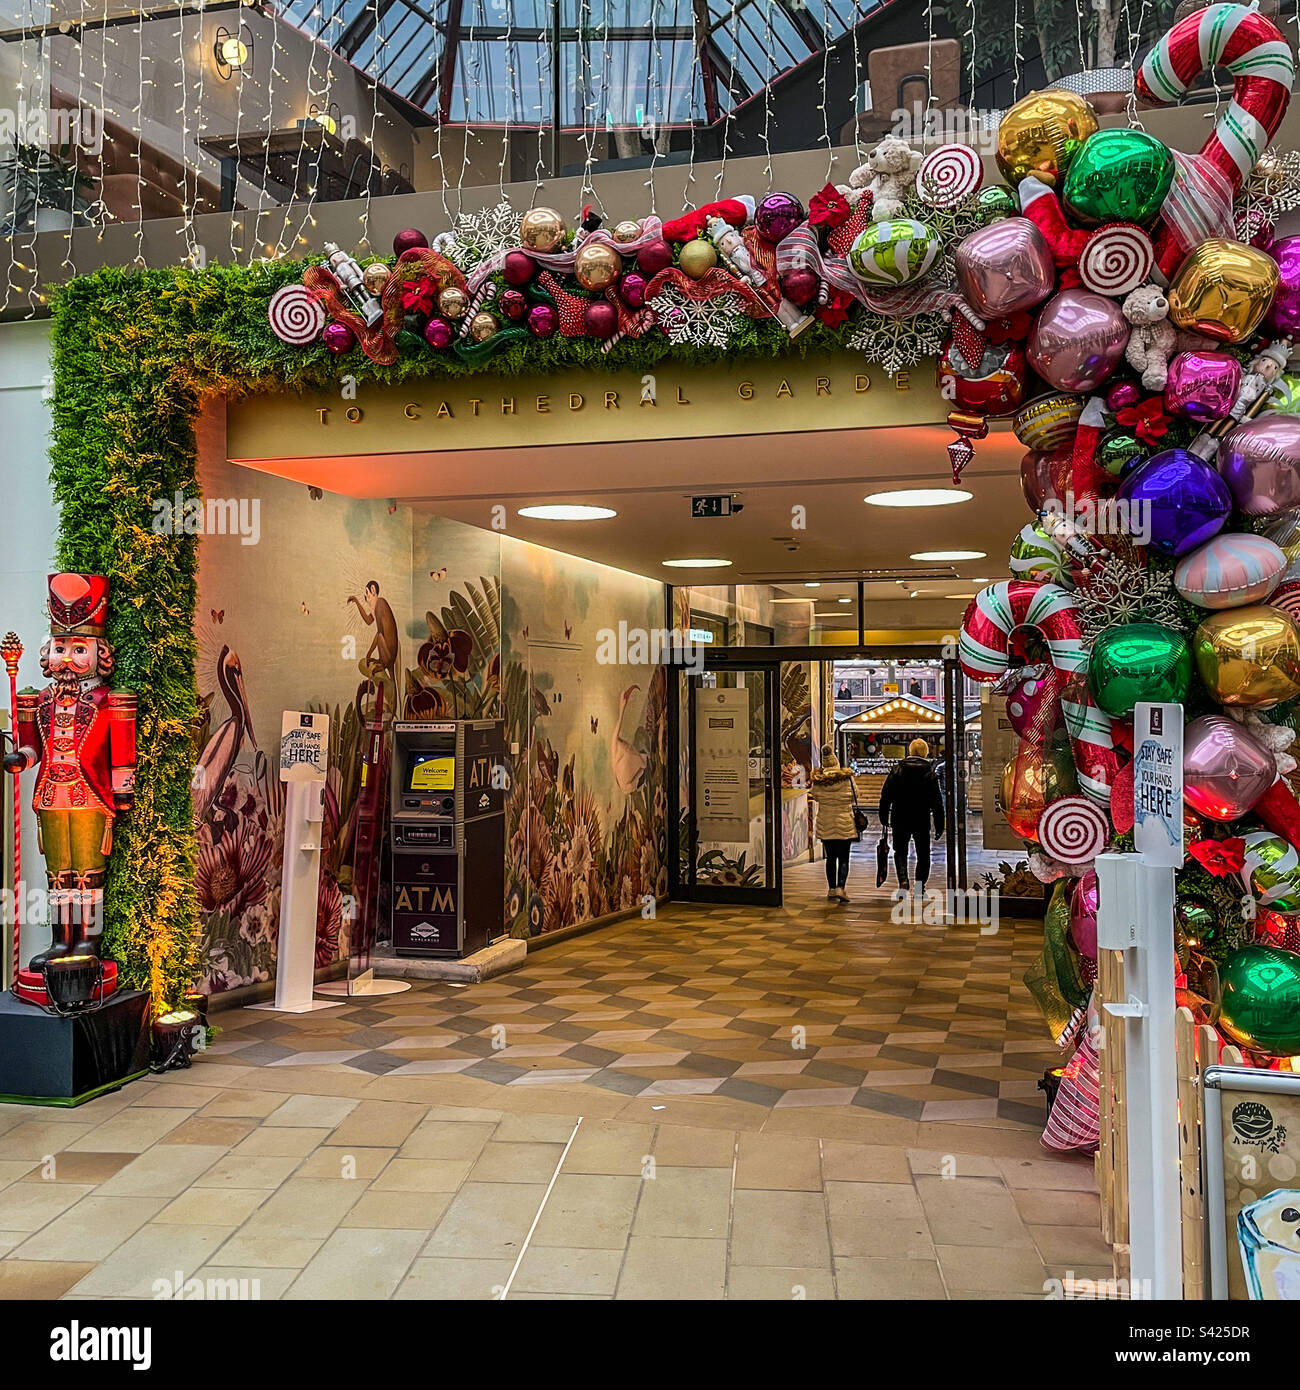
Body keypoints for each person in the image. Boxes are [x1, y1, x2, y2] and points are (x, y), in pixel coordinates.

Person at [879, 737, 945, 895]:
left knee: (900, 851)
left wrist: (883, 816)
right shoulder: (929, 772)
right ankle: (920, 886)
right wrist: (939, 823)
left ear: (910, 751)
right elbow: (937, 801)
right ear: (925, 752)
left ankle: (903, 880)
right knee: (923, 854)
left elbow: (886, 795)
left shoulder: (897, 769)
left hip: (899, 816)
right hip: (921, 817)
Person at [810, 745, 860, 903]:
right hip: (845, 821)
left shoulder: (818, 781)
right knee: (844, 857)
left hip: (826, 821)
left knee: (830, 857)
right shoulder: (847, 779)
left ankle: (831, 889)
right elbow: (855, 795)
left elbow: (816, 796)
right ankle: (841, 888)